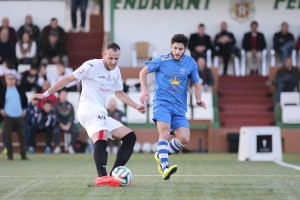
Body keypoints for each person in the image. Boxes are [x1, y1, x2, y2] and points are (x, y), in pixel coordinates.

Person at [32, 42, 146, 187]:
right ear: (103, 54)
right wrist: (46, 94)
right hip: (88, 110)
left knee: (130, 136)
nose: (113, 61)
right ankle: (102, 177)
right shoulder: (91, 66)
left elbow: (119, 93)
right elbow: (68, 79)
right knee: (102, 135)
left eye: (116, 58)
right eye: (110, 58)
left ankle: (113, 176)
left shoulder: (116, 71)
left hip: (100, 112)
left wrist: (136, 106)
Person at [139, 34, 206, 180]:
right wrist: (144, 89)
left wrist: (199, 98)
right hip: (162, 103)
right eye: (174, 48)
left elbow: (197, 83)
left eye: (180, 49)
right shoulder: (162, 60)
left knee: (184, 139)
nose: (176, 51)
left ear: (185, 49)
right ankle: (165, 168)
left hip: (179, 107)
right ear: (171, 47)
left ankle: (160, 154)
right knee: (164, 132)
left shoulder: (190, 63)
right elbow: (143, 72)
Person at [0, 72, 28, 160]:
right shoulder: (3, 91)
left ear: (15, 80)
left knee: (22, 136)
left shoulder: (19, 89)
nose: (11, 80)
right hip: (8, 117)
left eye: (12, 79)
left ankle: (23, 155)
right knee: (8, 137)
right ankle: (10, 156)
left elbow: (25, 99)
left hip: (19, 116)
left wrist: (24, 109)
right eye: (9, 79)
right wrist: (1, 109)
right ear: (6, 80)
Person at [53, 88, 79, 154]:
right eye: (62, 95)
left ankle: (70, 146)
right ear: (59, 96)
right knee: (55, 131)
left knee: (76, 131)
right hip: (59, 124)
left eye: (65, 95)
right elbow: (56, 117)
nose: (64, 96)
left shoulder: (70, 105)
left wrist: (68, 125)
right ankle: (58, 147)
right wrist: (62, 125)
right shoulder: (56, 106)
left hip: (69, 124)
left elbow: (72, 116)